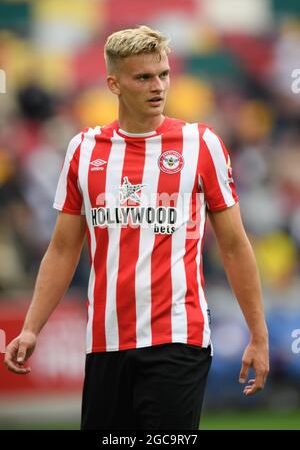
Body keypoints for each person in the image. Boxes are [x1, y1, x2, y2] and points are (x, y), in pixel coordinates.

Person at [4, 25, 269, 430]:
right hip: (105, 342)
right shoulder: (84, 150)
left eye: (162, 74)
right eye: (143, 77)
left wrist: (258, 333)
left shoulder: (201, 144)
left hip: (178, 339)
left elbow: (234, 245)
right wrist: (31, 328)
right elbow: (62, 248)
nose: (157, 86)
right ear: (114, 83)